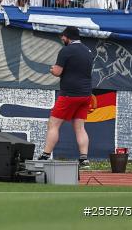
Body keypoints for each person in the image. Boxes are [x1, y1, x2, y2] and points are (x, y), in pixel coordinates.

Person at [40, 26, 94, 168]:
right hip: (85, 95)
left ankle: (45, 155)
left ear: (68, 37)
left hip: (69, 94)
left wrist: (52, 69)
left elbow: (57, 72)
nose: (62, 39)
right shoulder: (88, 51)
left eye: (63, 37)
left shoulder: (66, 50)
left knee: (53, 125)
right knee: (80, 128)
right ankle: (84, 159)